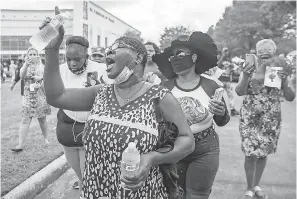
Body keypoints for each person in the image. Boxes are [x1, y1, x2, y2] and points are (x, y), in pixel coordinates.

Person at [41, 6, 194, 199]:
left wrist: (152, 158)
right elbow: (56, 96)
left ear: (138, 57)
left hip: (142, 193)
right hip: (96, 192)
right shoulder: (100, 93)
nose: (108, 53)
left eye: (116, 48)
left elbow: (187, 140)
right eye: (108, 50)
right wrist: (52, 50)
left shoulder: (160, 97)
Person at [153, 31, 230, 199]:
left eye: (179, 53)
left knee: (198, 194)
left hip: (205, 149)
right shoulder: (163, 87)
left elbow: (223, 121)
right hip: (173, 147)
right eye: (172, 56)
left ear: (194, 57)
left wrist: (221, 112)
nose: (174, 58)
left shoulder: (212, 85)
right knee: (174, 195)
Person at [235, 39, 295, 199]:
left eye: (268, 49)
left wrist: (285, 82)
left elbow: (290, 97)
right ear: (256, 52)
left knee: (263, 154)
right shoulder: (249, 68)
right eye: (261, 50)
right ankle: (249, 188)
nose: (264, 52)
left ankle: (256, 186)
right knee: (250, 153)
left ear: (273, 53)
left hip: (270, 119)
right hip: (250, 117)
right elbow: (240, 91)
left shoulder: (279, 71)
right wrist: (246, 75)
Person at [55, 36, 106, 191]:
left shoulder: (100, 68)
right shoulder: (60, 70)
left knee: (87, 173)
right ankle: (84, 182)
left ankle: (89, 186)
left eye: (77, 59)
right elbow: (52, 93)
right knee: (78, 170)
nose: (72, 63)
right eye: (68, 59)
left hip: (91, 128)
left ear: (86, 56)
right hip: (67, 128)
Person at [11, 46, 51, 152]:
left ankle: (46, 139)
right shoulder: (25, 66)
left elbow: (47, 78)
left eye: (34, 54)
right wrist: (26, 64)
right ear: (27, 56)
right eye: (30, 54)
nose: (32, 56)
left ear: (37, 55)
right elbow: (22, 76)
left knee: (42, 119)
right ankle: (20, 144)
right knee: (25, 119)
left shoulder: (42, 66)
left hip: (40, 95)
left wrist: (40, 78)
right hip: (28, 96)